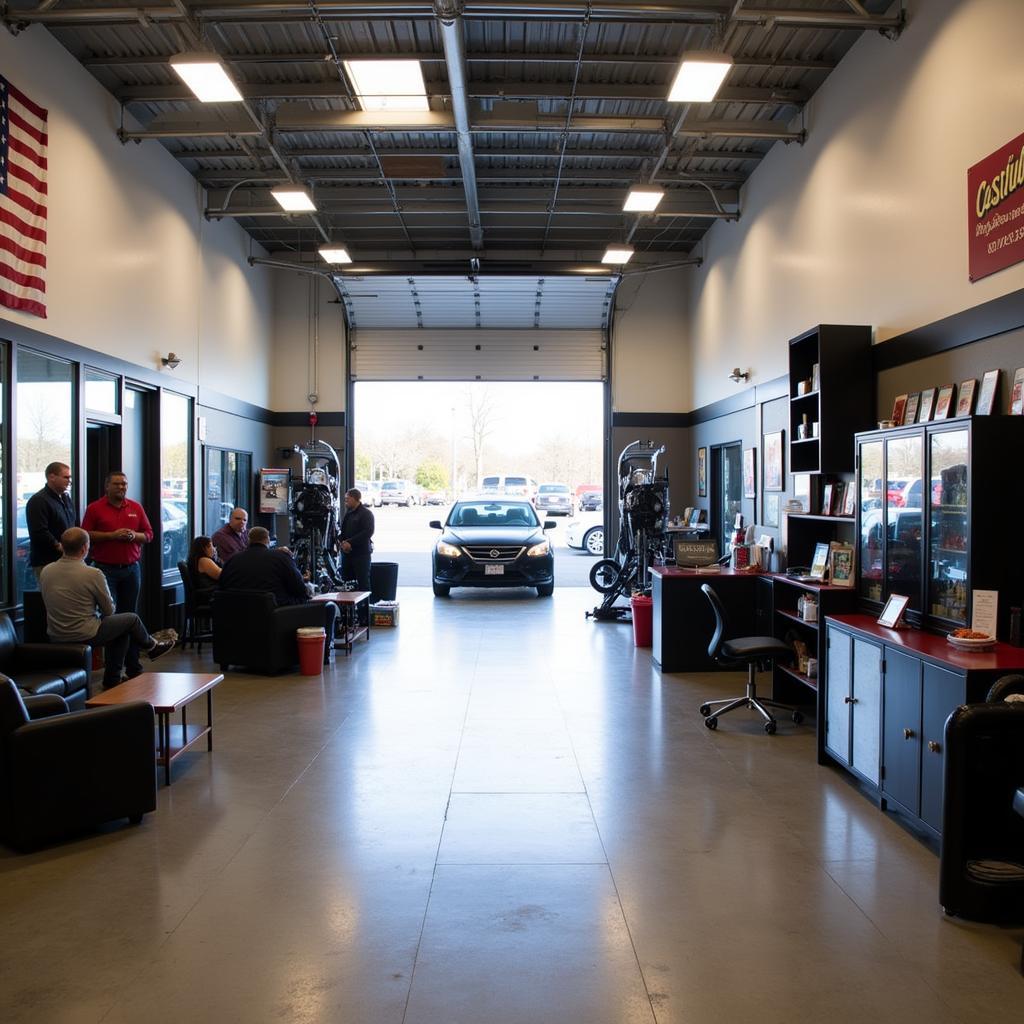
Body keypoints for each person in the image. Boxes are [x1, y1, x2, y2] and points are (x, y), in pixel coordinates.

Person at [39, 528, 175, 689]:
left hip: (56, 634)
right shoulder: (92, 574)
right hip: (84, 633)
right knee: (130, 619)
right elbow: (109, 611)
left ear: (62, 546)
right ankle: (150, 648)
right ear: (84, 548)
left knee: (121, 629)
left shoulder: (46, 571)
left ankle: (117, 676)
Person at [81, 470, 154, 680]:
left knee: (131, 617)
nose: (122, 487)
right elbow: (86, 535)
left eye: (124, 484)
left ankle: (133, 666)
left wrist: (134, 536)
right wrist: (111, 536)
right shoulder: (95, 509)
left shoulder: (135, 507)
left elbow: (149, 535)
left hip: (131, 569)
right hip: (106, 570)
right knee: (112, 619)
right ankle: (112, 672)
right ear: (107, 486)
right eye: (117, 484)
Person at [219, 527, 309, 606]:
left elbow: (222, 586)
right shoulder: (281, 557)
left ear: (248, 540)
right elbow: (300, 589)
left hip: (235, 613)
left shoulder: (232, 560)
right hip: (274, 613)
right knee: (304, 599)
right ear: (268, 540)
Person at [25, 461, 77, 584]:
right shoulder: (38, 500)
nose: (69, 481)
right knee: (54, 600)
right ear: (52, 477)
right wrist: (59, 546)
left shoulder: (66, 498)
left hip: (68, 559)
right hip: (48, 561)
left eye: (70, 477)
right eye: (66, 477)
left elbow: (72, 525)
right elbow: (39, 531)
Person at [339, 488, 375, 593]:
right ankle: (350, 609)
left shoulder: (366, 514)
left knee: (363, 583)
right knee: (348, 583)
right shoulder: (348, 513)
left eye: (347, 499)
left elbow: (368, 532)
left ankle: (364, 609)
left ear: (356, 499)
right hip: (347, 554)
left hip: (361, 555)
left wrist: (350, 542)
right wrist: (342, 543)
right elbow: (343, 531)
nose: (345, 501)